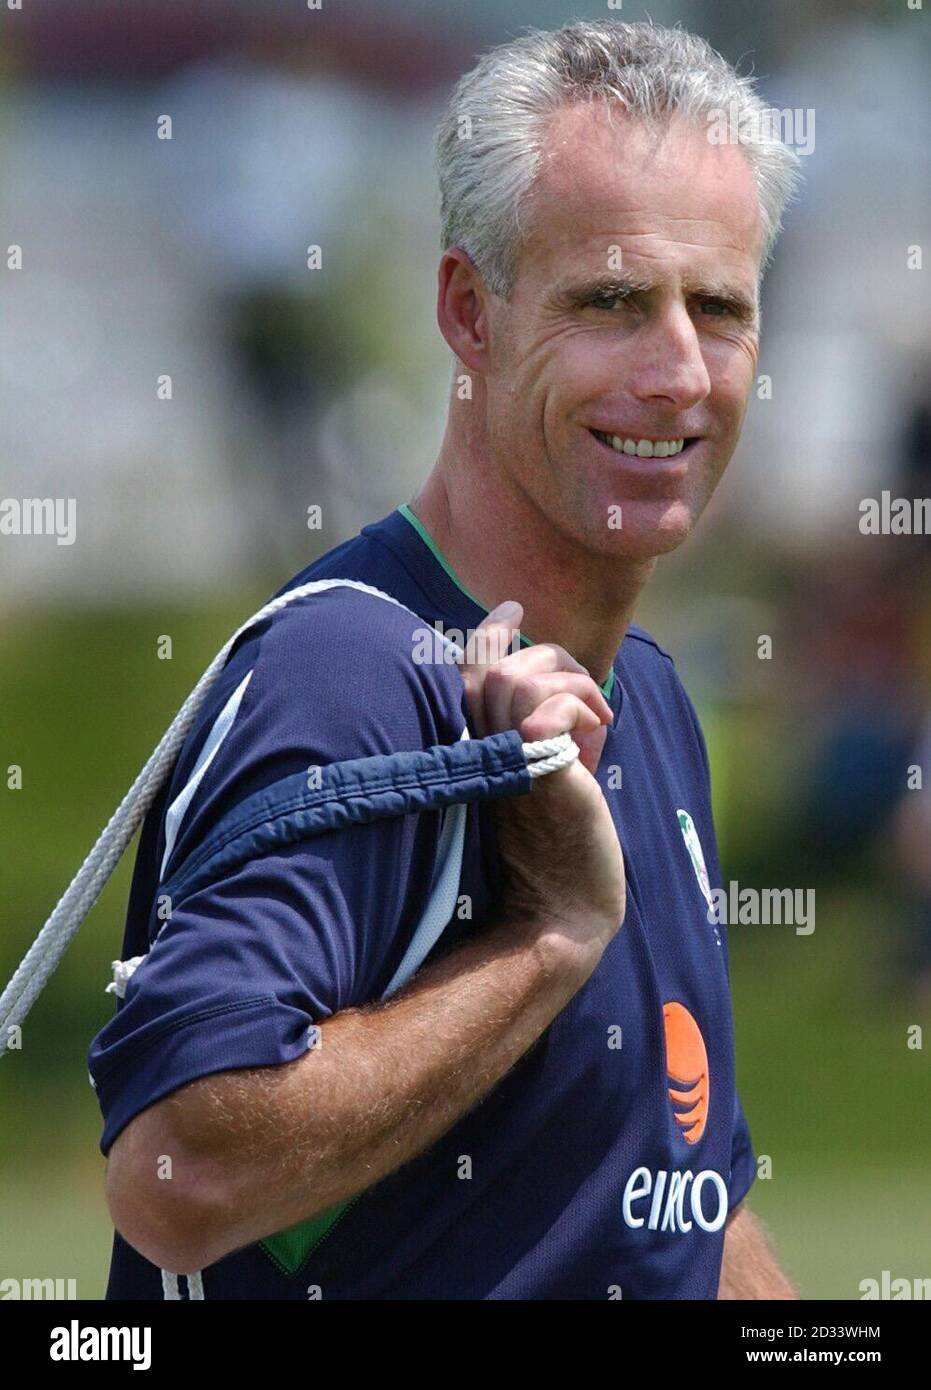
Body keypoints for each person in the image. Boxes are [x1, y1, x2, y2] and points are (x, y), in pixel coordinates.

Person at [90, 19, 800, 1299]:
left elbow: (681, 1201)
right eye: (611, 302)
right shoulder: (352, 675)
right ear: (470, 314)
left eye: (720, 309)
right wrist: (546, 944)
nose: (678, 372)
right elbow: (174, 1181)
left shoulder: (650, 694)